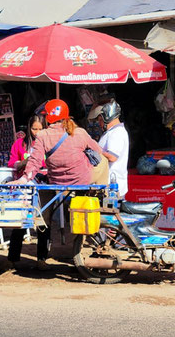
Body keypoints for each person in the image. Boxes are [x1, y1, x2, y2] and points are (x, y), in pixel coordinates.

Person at [9, 99, 108, 270]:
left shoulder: (43, 136)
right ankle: (103, 195)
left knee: (43, 215)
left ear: (48, 118)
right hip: (82, 180)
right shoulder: (80, 132)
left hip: (56, 182)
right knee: (104, 161)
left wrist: (24, 179)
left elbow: (34, 162)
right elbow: (98, 151)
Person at [6, 114, 48, 269]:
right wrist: (24, 162)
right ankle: (12, 259)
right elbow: (11, 163)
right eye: (34, 128)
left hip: (43, 188)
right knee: (21, 223)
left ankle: (42, 259)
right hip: (23, 190)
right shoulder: (19, 144)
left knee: (43, 223)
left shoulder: (48, 144)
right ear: (29, 128)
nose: (36, 132)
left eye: (40, 129)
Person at [88, 99, 129, 197]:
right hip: (109, 185)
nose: (99, 123)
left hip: (113, 186)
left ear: (106, 117)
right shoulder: (112, 132)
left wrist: (96, 150)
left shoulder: (117, 133)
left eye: (100, 120)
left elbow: (112, 157)